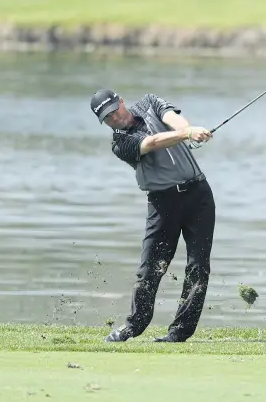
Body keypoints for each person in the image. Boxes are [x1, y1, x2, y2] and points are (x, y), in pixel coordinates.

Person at [90, 89, 215, 343]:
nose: (114, 119)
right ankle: (133, 327)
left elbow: (175, 120)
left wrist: (188, 129)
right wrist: (186, 134)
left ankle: (179, 332)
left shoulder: (150, 102)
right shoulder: (120, 143)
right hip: (162, 203)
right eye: (107, 119)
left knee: (198, 267)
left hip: (198, 196)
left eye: (115, 112)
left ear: (121, 102)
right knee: (150, 269)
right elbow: (152, 143)